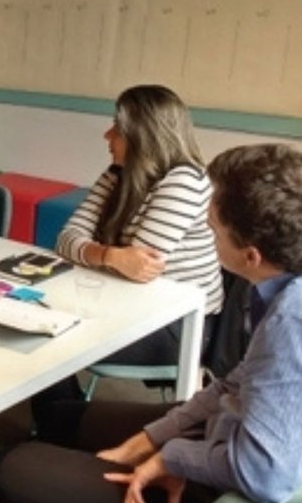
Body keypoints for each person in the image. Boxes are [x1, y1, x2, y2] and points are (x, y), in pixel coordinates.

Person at [0, 144, 302, 503]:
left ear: (251, 256)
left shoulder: (298, 320)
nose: (208, 235)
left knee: (12, 466)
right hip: (233, 435)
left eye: (212, 228)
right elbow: (238, 382)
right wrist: (154, 437)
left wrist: (174, 459)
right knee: (62, 418)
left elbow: (264, 476)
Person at [35, 85, 223, 409]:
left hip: (178, 327)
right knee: (33, 321)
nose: (107, 136)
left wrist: (100, 255)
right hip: (123, 305)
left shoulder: (186, 181)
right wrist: (109, 255)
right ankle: (66, 418)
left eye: (118, 129)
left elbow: (138, 269)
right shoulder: (117, 175)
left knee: (46, 338)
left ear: (144, 136)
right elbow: (66, 239)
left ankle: (64, 424)